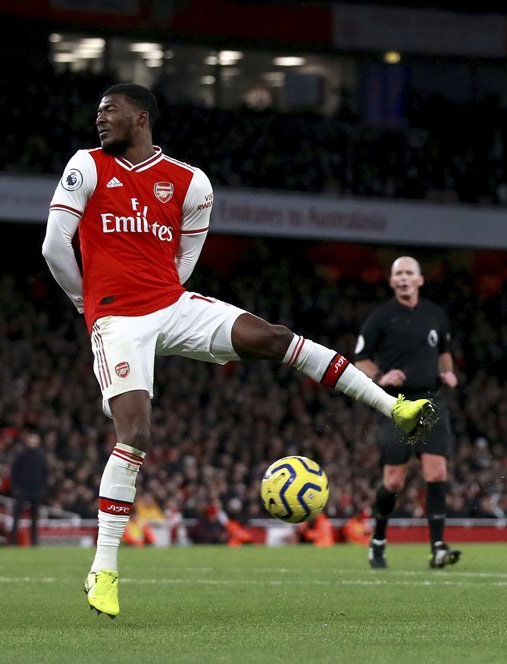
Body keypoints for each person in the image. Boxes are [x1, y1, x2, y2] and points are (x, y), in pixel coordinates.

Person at [41, 84, 438, 618]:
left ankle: (396, 408)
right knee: (134, 433)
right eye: (97, 111)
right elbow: (53, 245)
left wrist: (162, 301)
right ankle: (104, 568)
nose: (99, 119)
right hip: (115, 318)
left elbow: (185, 258)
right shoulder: (86, 165)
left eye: (108, 110)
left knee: (274, 336)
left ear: (140, 117)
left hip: (171, 303)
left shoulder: (190, 183)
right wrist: (89, 306)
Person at [355, 256, 461, 570]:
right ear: (391, 282)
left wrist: (448, 374)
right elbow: (360, 359)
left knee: (437, 472)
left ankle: (438, 548)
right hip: (395, 404)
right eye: (398, 274)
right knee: (394, 481)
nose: (403, 278)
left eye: (408, 273)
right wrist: (381, 377)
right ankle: (378, 540)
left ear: (419, 280)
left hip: (430, 401)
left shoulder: (434, 315)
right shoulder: (380, 317)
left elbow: (444, 353)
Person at [10, 431, 49, 546]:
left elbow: (45, 473)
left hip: (36, 490)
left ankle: (34, 541)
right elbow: (14, 472)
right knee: (17, 516)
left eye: (35, 438)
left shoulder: (41, 456)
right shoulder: (21, 455)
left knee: (34, 517)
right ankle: (13, 541)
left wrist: (43, 488)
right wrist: (16, 487)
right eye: (31, 438)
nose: (33, 441)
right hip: (22, 489)